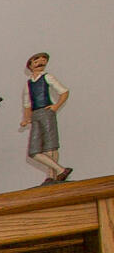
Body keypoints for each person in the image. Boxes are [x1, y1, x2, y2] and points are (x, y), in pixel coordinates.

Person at [24, 53, 72, 184]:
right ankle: (60, 169)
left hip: (46, 112)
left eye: (43, 60)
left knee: (50, 146)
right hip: (35, 115)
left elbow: (64, 91)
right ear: (30, 65)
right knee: (34, 151)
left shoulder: (47, 77)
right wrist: (26, 118)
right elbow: (27, 103)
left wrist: (56, 106)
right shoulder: (29, 83)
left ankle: (52, 176)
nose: (41, 62)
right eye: (37, 60)